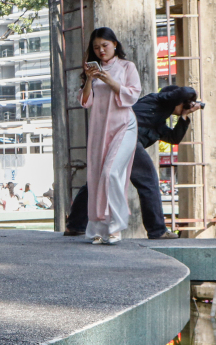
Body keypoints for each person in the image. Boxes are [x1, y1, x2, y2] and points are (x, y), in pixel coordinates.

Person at [64, 84, 202, 239]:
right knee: (148, 180)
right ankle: (157, 230)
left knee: (96, 183)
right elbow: (183, 92)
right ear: (177, 100)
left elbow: (173, 138)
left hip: (112, 140)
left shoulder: (158, 121)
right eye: (184, 103)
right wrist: (191, 96)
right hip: (124, 138)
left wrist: (184, 116)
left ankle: (74, 226)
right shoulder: (156, 100)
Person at [79, 27, 142, 244]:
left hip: (124, 125)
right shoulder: (94, 71)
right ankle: (99, 228)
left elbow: (133, 94)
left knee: (111, 172)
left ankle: (118, 223)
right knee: (96, 177)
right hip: (99, 128)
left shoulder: (127, 66)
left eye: (105, 45)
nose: (101, 50)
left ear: (115, 44)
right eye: (96, 47)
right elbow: (86, 101)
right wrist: (89, 79)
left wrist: (109, 80)